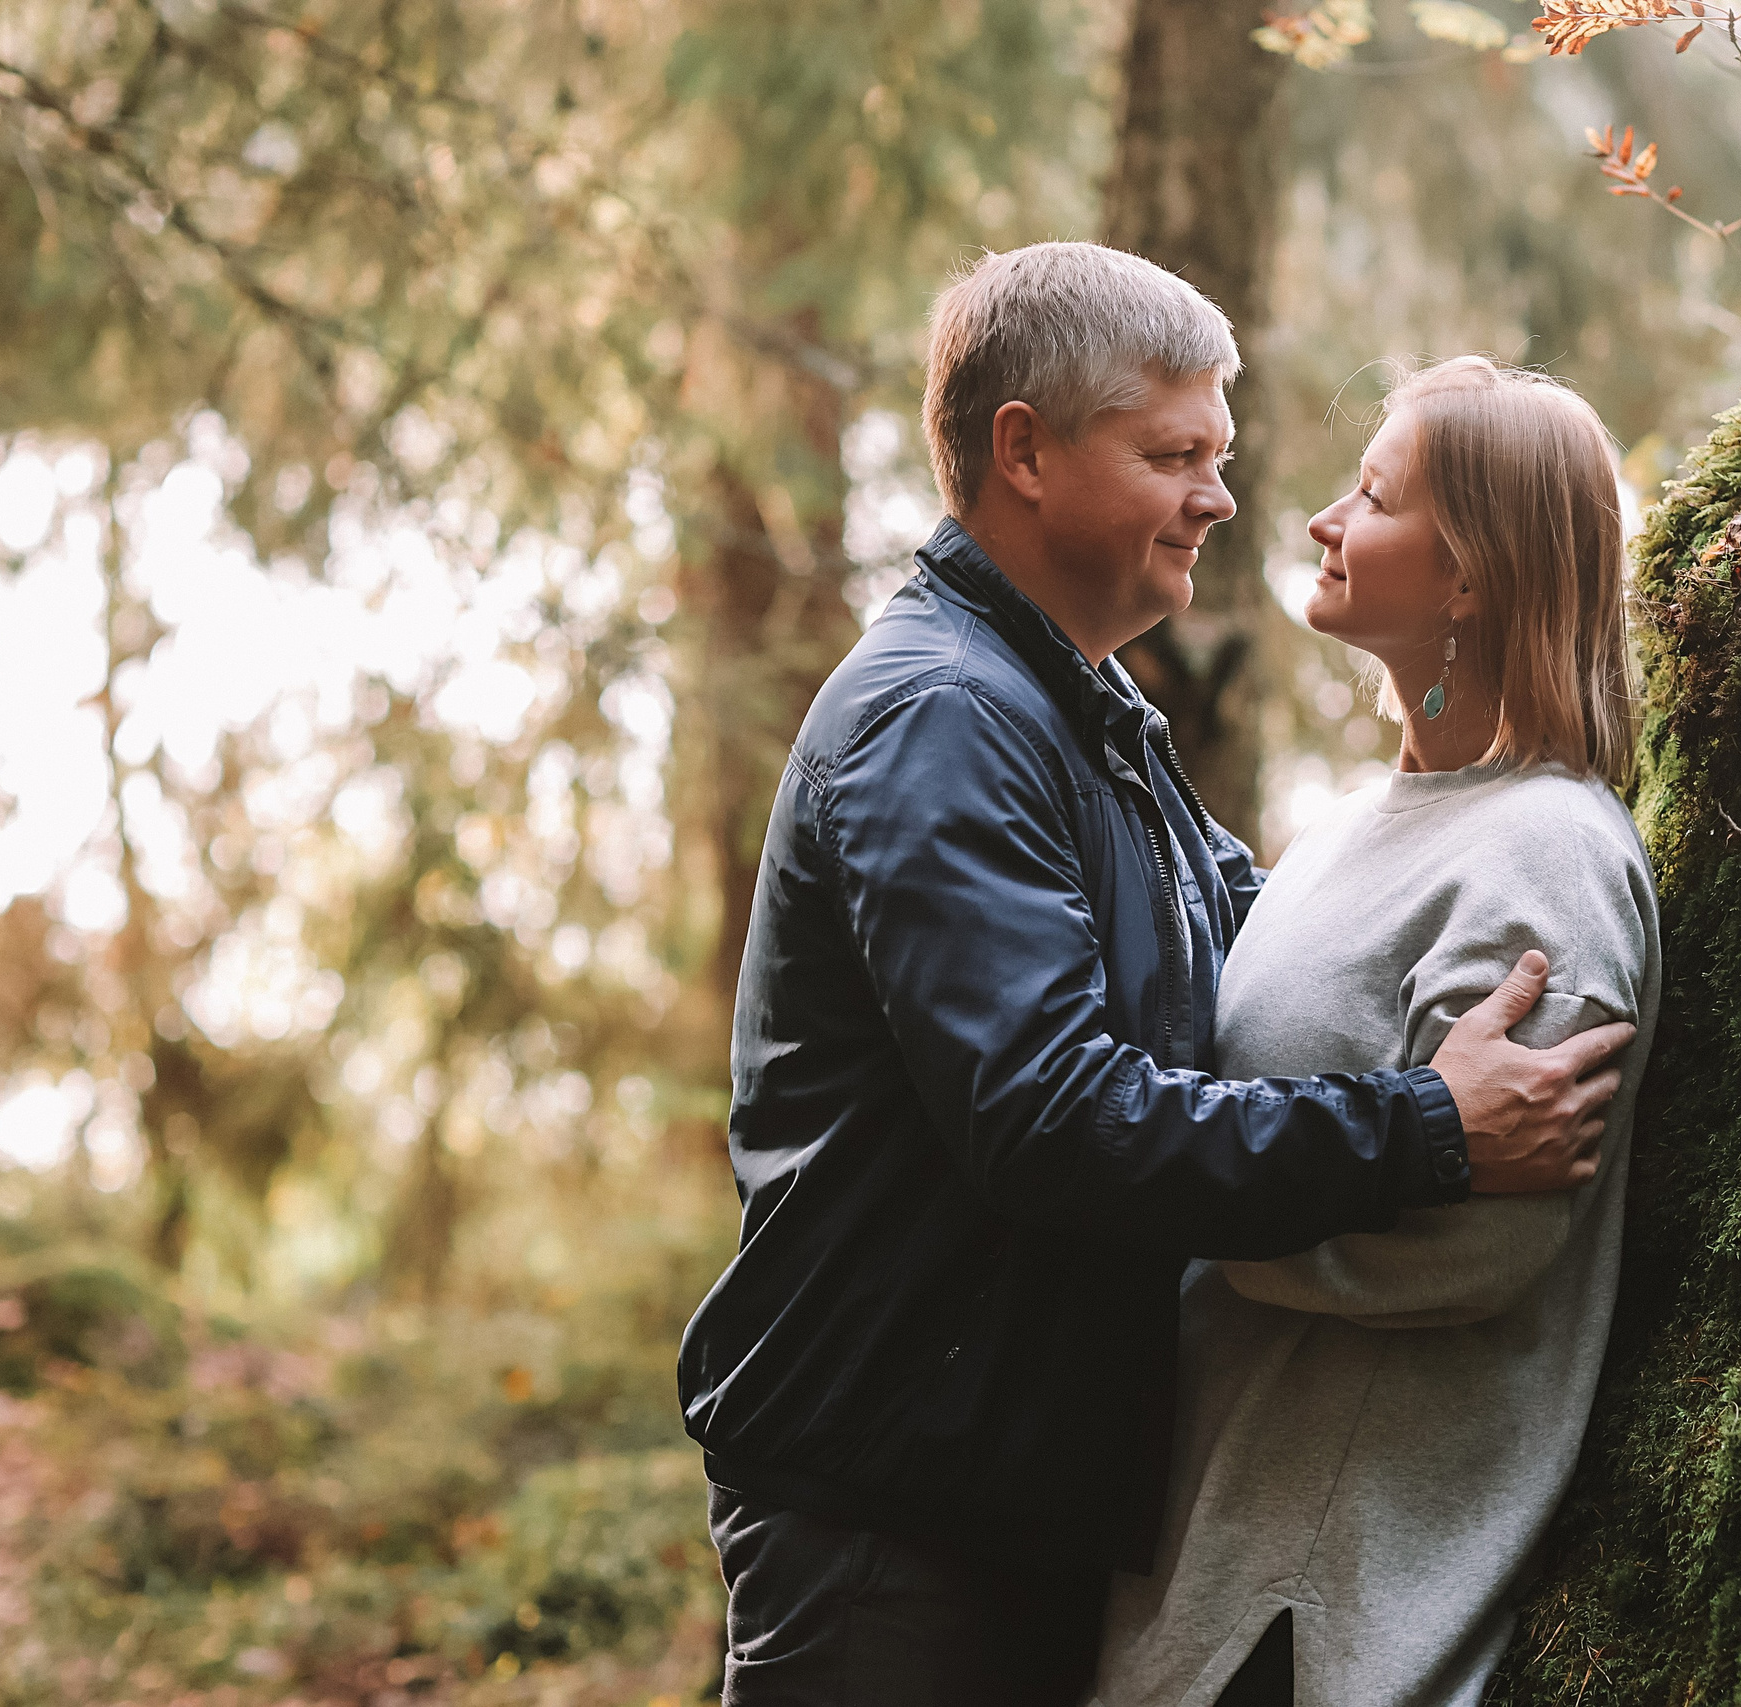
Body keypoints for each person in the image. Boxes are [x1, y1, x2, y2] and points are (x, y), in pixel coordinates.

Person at [674, 245, 1637, 1707]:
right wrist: (1427, 1130)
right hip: (895, 1531)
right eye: (1172, 452)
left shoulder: (1086, 716)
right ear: (1025, 454)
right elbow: (1052, 1114)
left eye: (1220, 453)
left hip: (1020, 1519)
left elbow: (1275, 963)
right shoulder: (946, 716)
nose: (1225, 497)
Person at [1095, 357, 1661, 1707]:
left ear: (1468, 577)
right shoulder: (1350, 826)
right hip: (1193, 1551)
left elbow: (1484, 1239)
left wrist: (1184, 1210)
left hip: (1329, 1596)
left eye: (1372, 495)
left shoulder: (1547, 854)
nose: (1319, 524)